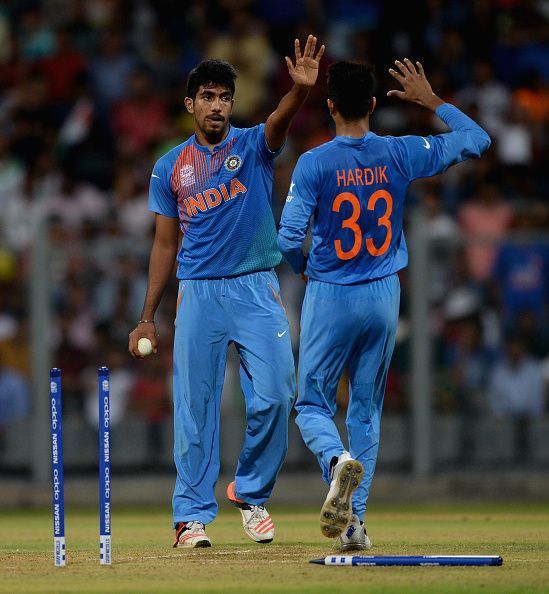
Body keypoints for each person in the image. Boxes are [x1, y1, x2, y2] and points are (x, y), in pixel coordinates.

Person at [278, 59, 491, 551]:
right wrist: (431, 100)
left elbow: (288, 237)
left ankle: (335, 464)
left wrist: (304, 265)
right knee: (367, 410)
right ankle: (355, 525)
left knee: (312, 402)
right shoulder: (400, 153)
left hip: (331, 292)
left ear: (330, 107)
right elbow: (477, 139)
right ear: (373, 105)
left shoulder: (313, 163)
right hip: (382, 294)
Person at [128, 35, 325, 548]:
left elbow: (281, 119)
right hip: (197, 294)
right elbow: (164, 244)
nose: (216, 105)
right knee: (195, 408)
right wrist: (147, 315)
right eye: (207, 97)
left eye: (224, 97)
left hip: (256, 289)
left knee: (278, 394)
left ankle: (251, 492)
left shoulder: (254, 144)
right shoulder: (169, 166)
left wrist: (299, 92)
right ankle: (190, 517)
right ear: (190, 104)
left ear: (232, 105)